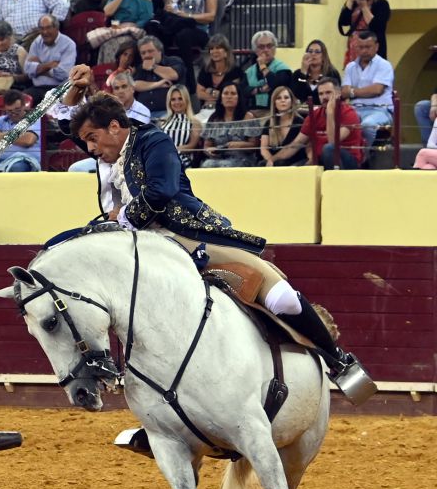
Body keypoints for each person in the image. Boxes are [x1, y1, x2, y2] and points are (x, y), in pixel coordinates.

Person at [62, 64, 366, 385]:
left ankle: (337, 359)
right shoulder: (108, 150)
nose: (90, 149)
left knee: (282, 298)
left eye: (93, 139)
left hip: (185, 235)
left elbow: (161, 191)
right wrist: (77, 89)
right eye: (87, 142)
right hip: (138, 245)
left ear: (114, 127)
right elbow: (70, 126)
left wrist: (120, 216)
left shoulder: (153, 140)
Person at [276, 77, 363, 170]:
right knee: (293, 170)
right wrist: (272, 159)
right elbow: (298, 142)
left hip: (346, 161)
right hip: (319, 160)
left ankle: (336, 182)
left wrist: (330, 113)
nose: (324, 97)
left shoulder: (349, 113)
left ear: (338, 93)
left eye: (328, 92)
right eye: (321, 94)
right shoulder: (315, 114)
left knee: (328, 149)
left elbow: (333, 142)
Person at [148, 0, 212, 91]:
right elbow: (168, 11)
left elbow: (210, 16)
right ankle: (160, 73)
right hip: (176, 27)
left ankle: (189, 83)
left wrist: (187, 16)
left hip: (198, 29)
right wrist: (170, 11)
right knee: (155, 29)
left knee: (184, 35)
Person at [340, 29, 392, 151]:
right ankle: (344, 157)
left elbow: (377, 90)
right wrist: (363, 91)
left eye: (368, 47)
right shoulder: (350, 67)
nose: (364, 51)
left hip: (379, 110)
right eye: (361, 47)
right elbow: (344, 91)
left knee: (367, 125)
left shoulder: (384, 65)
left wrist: (353, 92)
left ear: (376, 47)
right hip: (355, 109)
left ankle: (362, 157)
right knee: (337, 124)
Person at [85, 0, 150, 66]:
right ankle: (105, 74)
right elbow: (108, 12)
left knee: (120, 44)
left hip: (136, 29)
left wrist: (134, 25)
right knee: (105, 44)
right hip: (117, 27)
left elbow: (146, 16)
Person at [199, 80, 258, 167]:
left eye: (233, 93)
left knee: (226, 165)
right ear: (221, 99)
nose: (229, 97)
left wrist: (240, 145)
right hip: (218, 158)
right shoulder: (214, 118)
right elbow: (207, 145)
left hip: (242, 158)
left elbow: (255, 145)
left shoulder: (248, 117)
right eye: (226, 93)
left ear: (238, 98)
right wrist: (210, 150)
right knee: (207, 164)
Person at [22, 13, 73, 106]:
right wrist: (49, 65)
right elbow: (28, 70)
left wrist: (38, 67)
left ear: (56, 28)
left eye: (48, 28)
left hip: (59, 88)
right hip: (37, 88)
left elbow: (63, 73)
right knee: (21, 100)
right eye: (42, 28)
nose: (45, 32)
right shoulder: (37, 43)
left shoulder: (68, 44)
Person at [338, 0, 388, 66]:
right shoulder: (355, 5)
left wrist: (364, 7)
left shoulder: (381, 4)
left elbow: (377, 27)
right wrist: (350, 0)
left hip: (372, 51)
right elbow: (343, 22)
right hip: (354, 49)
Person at [0, 87, 40, 171]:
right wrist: (18, 135)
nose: (14, 114)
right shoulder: (0, 120)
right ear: (5, 109)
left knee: (15, 169)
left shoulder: (34, 119)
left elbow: (28, 140)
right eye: (10, 111)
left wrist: (1, 136)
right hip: (0, 160)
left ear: (23, 106)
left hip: (25, 160)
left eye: (17, 110)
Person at [131, 34, 181, 120]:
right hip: (144, 114)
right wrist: (159, 84)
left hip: (168, 112)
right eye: (143, 53)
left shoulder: (173, 61)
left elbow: (174, 75)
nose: (147, 55)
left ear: (159, 51)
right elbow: (135, 85)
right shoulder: (141, 67)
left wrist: (154, 67)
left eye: (150, 51)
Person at [243, 30, 291, 116]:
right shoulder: (249, 71)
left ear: (275, 48)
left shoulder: (282, 68)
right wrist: (260, 89)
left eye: (269, 46)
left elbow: (276, 85)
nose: (266, 50)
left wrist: (263, 67)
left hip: (276, 112)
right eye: (261, 47)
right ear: (255, 50)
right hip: (252, 112)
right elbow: (243, 90)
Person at [194, 33, 240, 119]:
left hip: (226, 112)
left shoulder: (235, 71)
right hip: (206, 110)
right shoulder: (205, 70)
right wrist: (219, 95)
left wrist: (209, 91)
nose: (214, 51)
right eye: (212, 48)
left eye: (218, 48)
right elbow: (199, 93)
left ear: (226, 52)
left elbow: (231, 95)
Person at [259, 85, 305, 167]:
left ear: (291, 101)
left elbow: (294, 148)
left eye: (286, 97)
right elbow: (264, 148)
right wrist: (270, 161)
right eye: (279, 98)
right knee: (261, 164)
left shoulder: (300, 122)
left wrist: (272, 160)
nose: (283, 100)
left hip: (295, 161)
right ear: (274, 102)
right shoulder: (269, 122)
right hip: (274, 161)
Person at [159, 82, 199, 167]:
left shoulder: (194, 123)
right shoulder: (162, 121)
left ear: (186, 100)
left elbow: (192, 146)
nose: (177, 102)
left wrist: (173, 150)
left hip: (183, 161)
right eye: (173, 99)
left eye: (180, 99)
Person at [290, 38, 340, 106]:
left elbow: (315, 99)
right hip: (302, 113)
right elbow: (299, 95)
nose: (313, 54)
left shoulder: (332, 74)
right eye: (310, 51)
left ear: (323, 55)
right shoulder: (298, 74)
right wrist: (303, 73)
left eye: (317, 52)